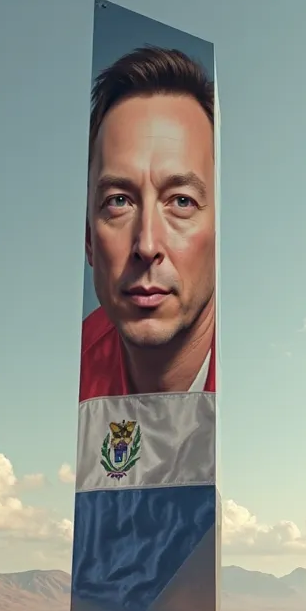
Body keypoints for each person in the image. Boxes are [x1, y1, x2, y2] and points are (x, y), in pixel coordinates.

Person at [80, 45, 216, 401]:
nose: (147, 245)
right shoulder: (69, 371)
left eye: (181, 201)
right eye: (119, 201)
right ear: (89, 240)